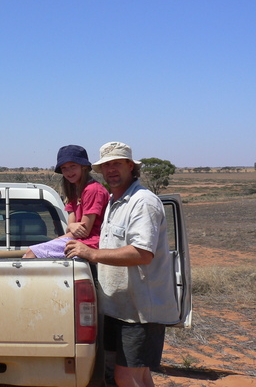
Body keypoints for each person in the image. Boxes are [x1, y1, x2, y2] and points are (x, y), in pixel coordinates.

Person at [64, 142, 180, 387]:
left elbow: (142, 253)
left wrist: (91, 254)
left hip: (139, 312)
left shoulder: (142, 202)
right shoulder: (115, 203)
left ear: (131, 166)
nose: (111, 170)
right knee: (138, 376)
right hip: (117, 308)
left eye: (117, 163)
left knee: (126, 377)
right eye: (106, 165)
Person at [23, 145, 109, 258]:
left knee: (31, 253)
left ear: (83, 167)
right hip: (78, 240)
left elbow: (84, 231)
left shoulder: (92, 190)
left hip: (90, 243)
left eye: (73, 166)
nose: (69, 172)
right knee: (32, 252)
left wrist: (65, 232)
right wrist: (70, 227)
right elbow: (71, 226)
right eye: (64, 168)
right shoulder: (74, 190)